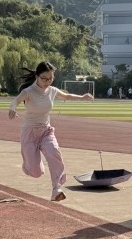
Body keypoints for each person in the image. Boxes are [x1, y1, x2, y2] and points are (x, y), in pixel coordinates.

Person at [8, 61, 93, 201]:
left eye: (51, 78)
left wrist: (82, 97)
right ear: (37, 76)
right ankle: (28, 165)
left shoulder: (52, 90)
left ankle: (56, 188)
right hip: (29, 133)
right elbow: (15, 101)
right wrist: (12, 109)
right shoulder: (28, 92)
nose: (48, 82)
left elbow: (66, 96)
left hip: (46, 131)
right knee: (36, 172)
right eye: (44, 79)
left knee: (54, 153)